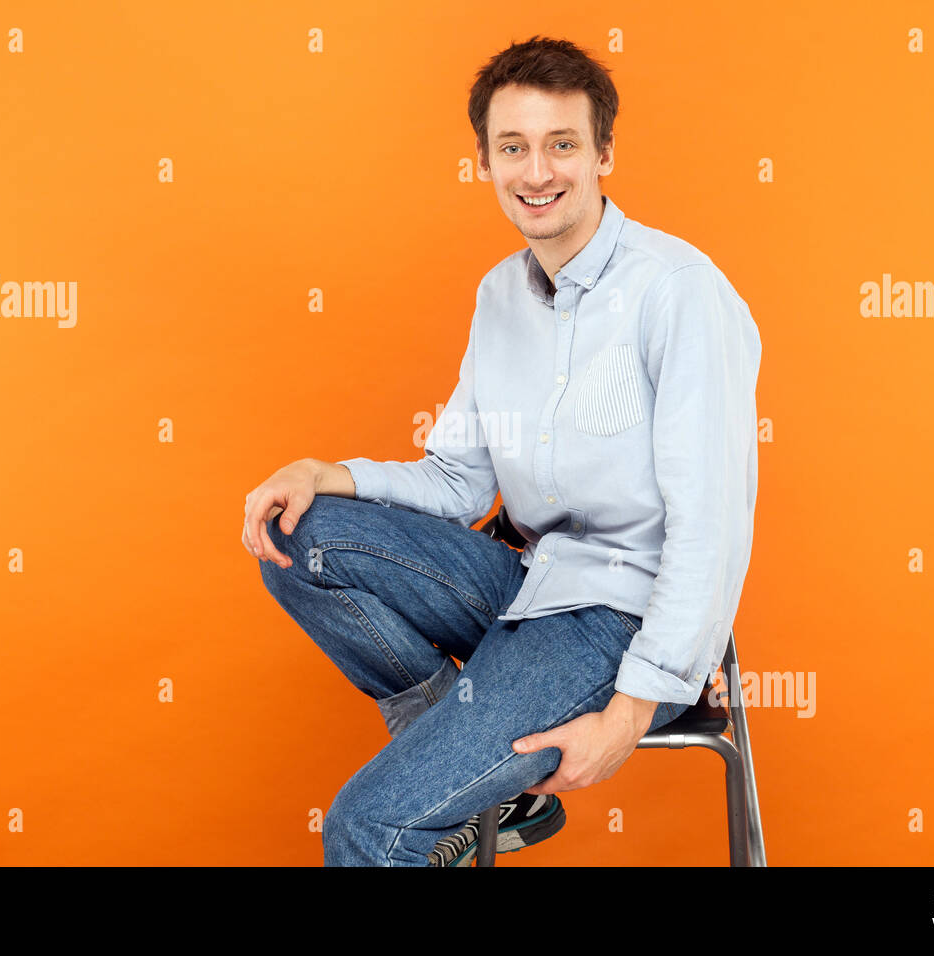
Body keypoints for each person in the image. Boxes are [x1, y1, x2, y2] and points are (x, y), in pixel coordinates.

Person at [242, 35, 762, 866]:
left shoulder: (679, 292)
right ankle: (476, 756)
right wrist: (322, 474)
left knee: (367, 825)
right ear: (484, 160)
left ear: (604, 153)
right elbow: (457, 480)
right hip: (525, 586)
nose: (538, 172)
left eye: (563, 144)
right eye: (513, 148)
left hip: (616, 623)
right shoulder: (499, 294)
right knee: (296, 536)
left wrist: (630, 713)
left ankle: (469, 773)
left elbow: (710, 529)